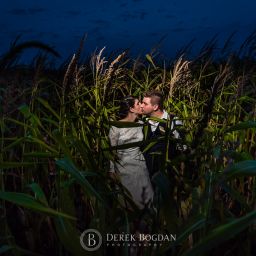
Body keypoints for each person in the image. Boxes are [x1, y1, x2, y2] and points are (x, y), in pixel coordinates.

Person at [109, 96, 154, 209]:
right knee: (128, 201)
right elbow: (111, 150)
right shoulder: (116, 126)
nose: (141, 106)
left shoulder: (140, 124)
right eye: (138, 104)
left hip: (140, 166)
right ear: (132, 109)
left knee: (145, 199)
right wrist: (111, 170)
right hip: (123, 167)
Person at [141, 90, 183, 178]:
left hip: (167, 175)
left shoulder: (173, 121)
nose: (141, 106)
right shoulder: (143, 123)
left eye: (145, 104)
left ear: (155, 107)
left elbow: (182, 148)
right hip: (146, 176)